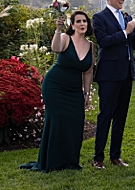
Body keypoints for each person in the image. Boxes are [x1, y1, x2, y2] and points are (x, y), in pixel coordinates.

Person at [21, 10, 95, 171]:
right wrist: (58, 29)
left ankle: (70, 161)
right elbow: (55, 49)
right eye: (79, 21)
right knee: (56, 121)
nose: (82, 24)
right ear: (72, 25)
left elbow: (88, 71)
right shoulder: (65, 38)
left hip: (74, 90)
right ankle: (52, 161)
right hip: (55, 86)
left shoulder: (91, 46)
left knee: (75, 121)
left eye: (85, 21)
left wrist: (87, 93)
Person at [91, 0, 135, 169]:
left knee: (121, 116)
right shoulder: (99, 18)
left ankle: (116, 156)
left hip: (126, 74)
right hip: (109, 74)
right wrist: (126, 31)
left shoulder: (126, 17)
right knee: (105, 115)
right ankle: (98, 158)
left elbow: (134, 46)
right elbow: (104, 42)